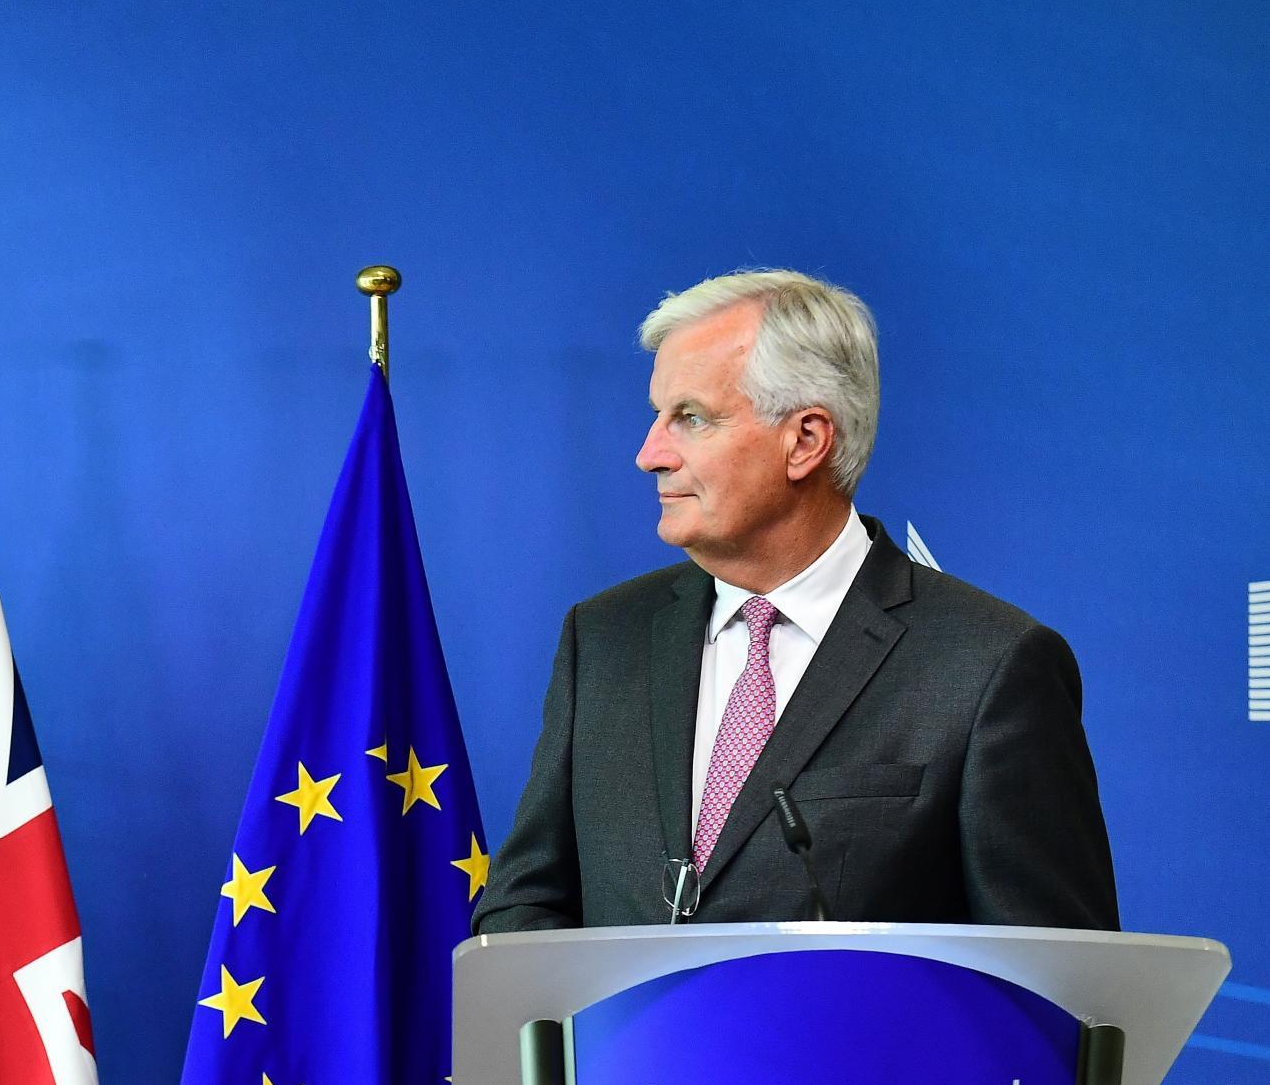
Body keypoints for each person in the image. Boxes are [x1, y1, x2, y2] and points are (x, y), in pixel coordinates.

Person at [475, 270, 1118, 934]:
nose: (649, 455)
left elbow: (1056, 982)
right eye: (657, 416)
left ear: (806, 440)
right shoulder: (604, 638)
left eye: (690, 418)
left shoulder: (987, 666)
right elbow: (527, 903)